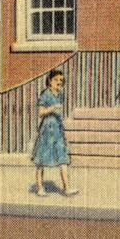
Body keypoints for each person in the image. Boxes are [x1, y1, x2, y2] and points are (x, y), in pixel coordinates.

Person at [31, 69, 78, 197]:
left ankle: (66, 187)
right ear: (50, 81)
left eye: (61, 80)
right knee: (41, 159)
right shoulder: (45, 95)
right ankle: (40, 187)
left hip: (57, 128)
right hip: (47, 129)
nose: (59, 82)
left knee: (62, 158)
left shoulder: (60, 95)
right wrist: (51, 109)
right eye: (56, 80)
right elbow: (40, 113)